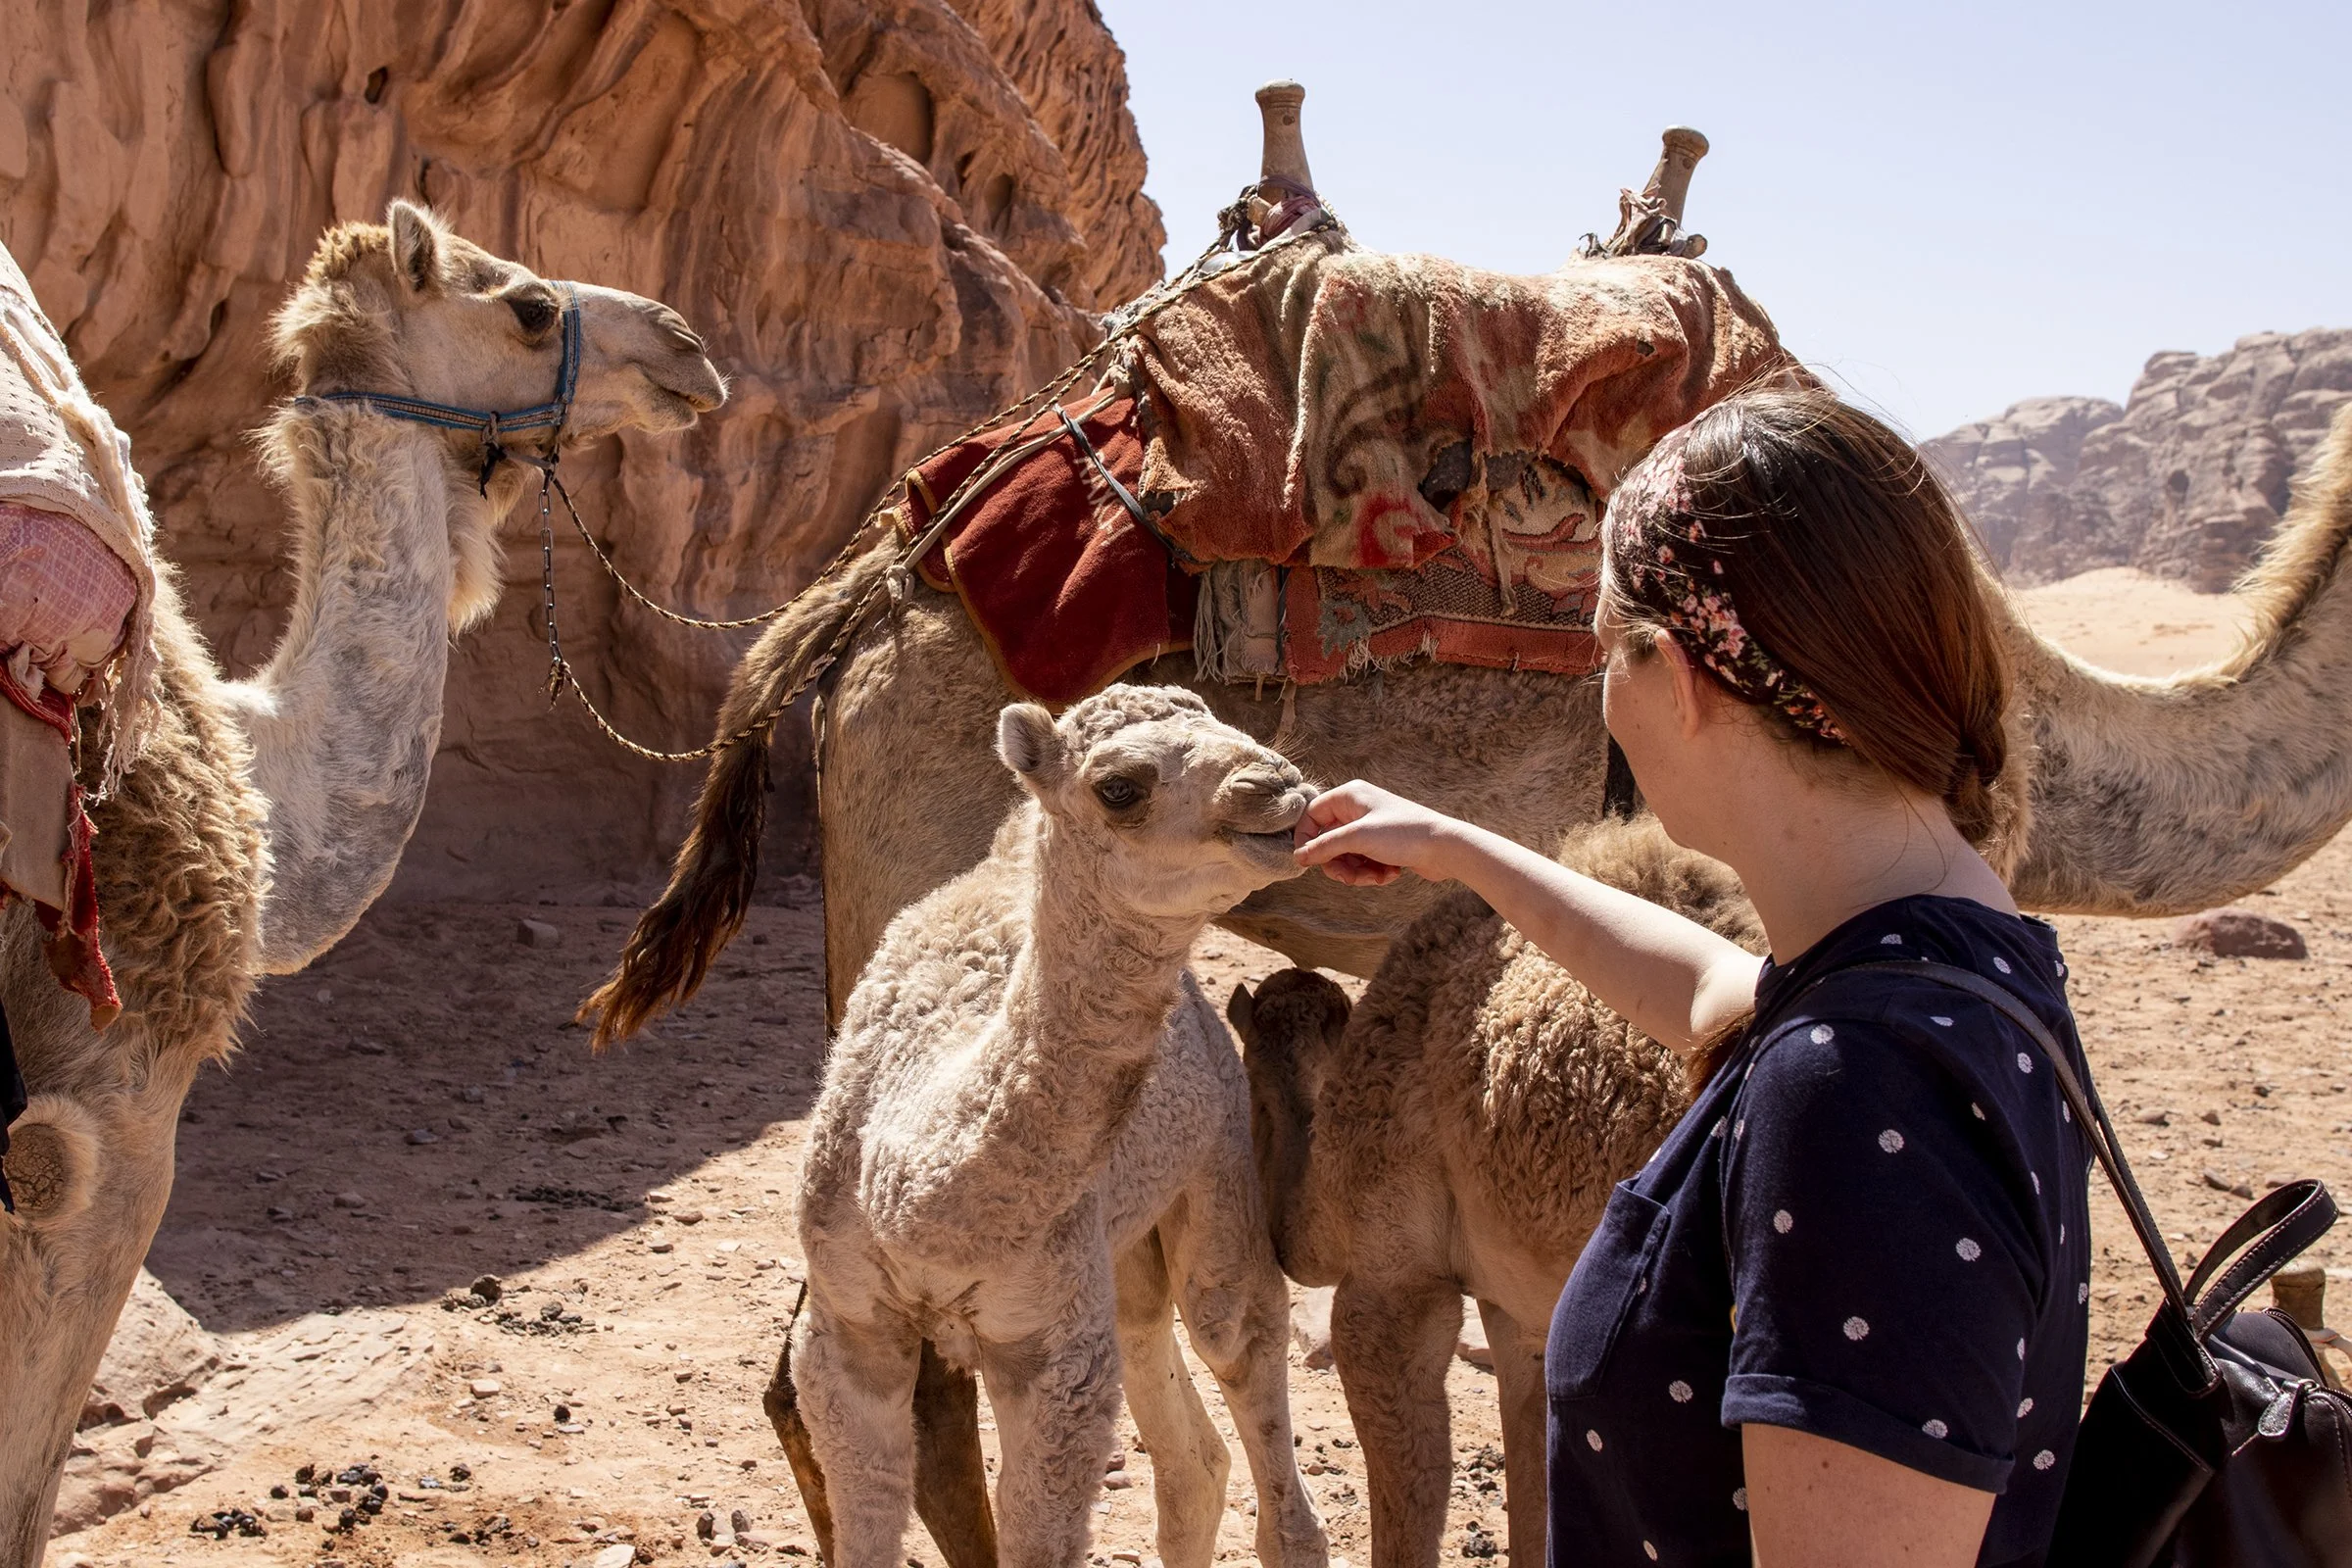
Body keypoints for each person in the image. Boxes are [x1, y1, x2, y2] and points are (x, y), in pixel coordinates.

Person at [1292, 387, 2090, 1568]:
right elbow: (1721, 990)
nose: (1603, 693)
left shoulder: (1859, 1098)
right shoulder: (1951, 950)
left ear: (1686, 677)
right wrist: (1454, 846)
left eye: (1610, 648)